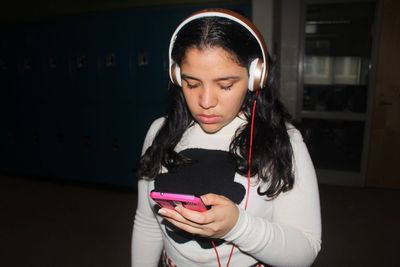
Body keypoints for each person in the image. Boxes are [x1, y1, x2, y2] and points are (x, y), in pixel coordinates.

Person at [131, 8, 321, 267]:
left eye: (225, 85)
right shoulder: (159, 132)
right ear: (177, 76)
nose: (206, 102)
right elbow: (147, 222)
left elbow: (305, 251)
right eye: (192, 83)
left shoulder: (285, 140)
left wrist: (237, 226)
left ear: (256, 77)